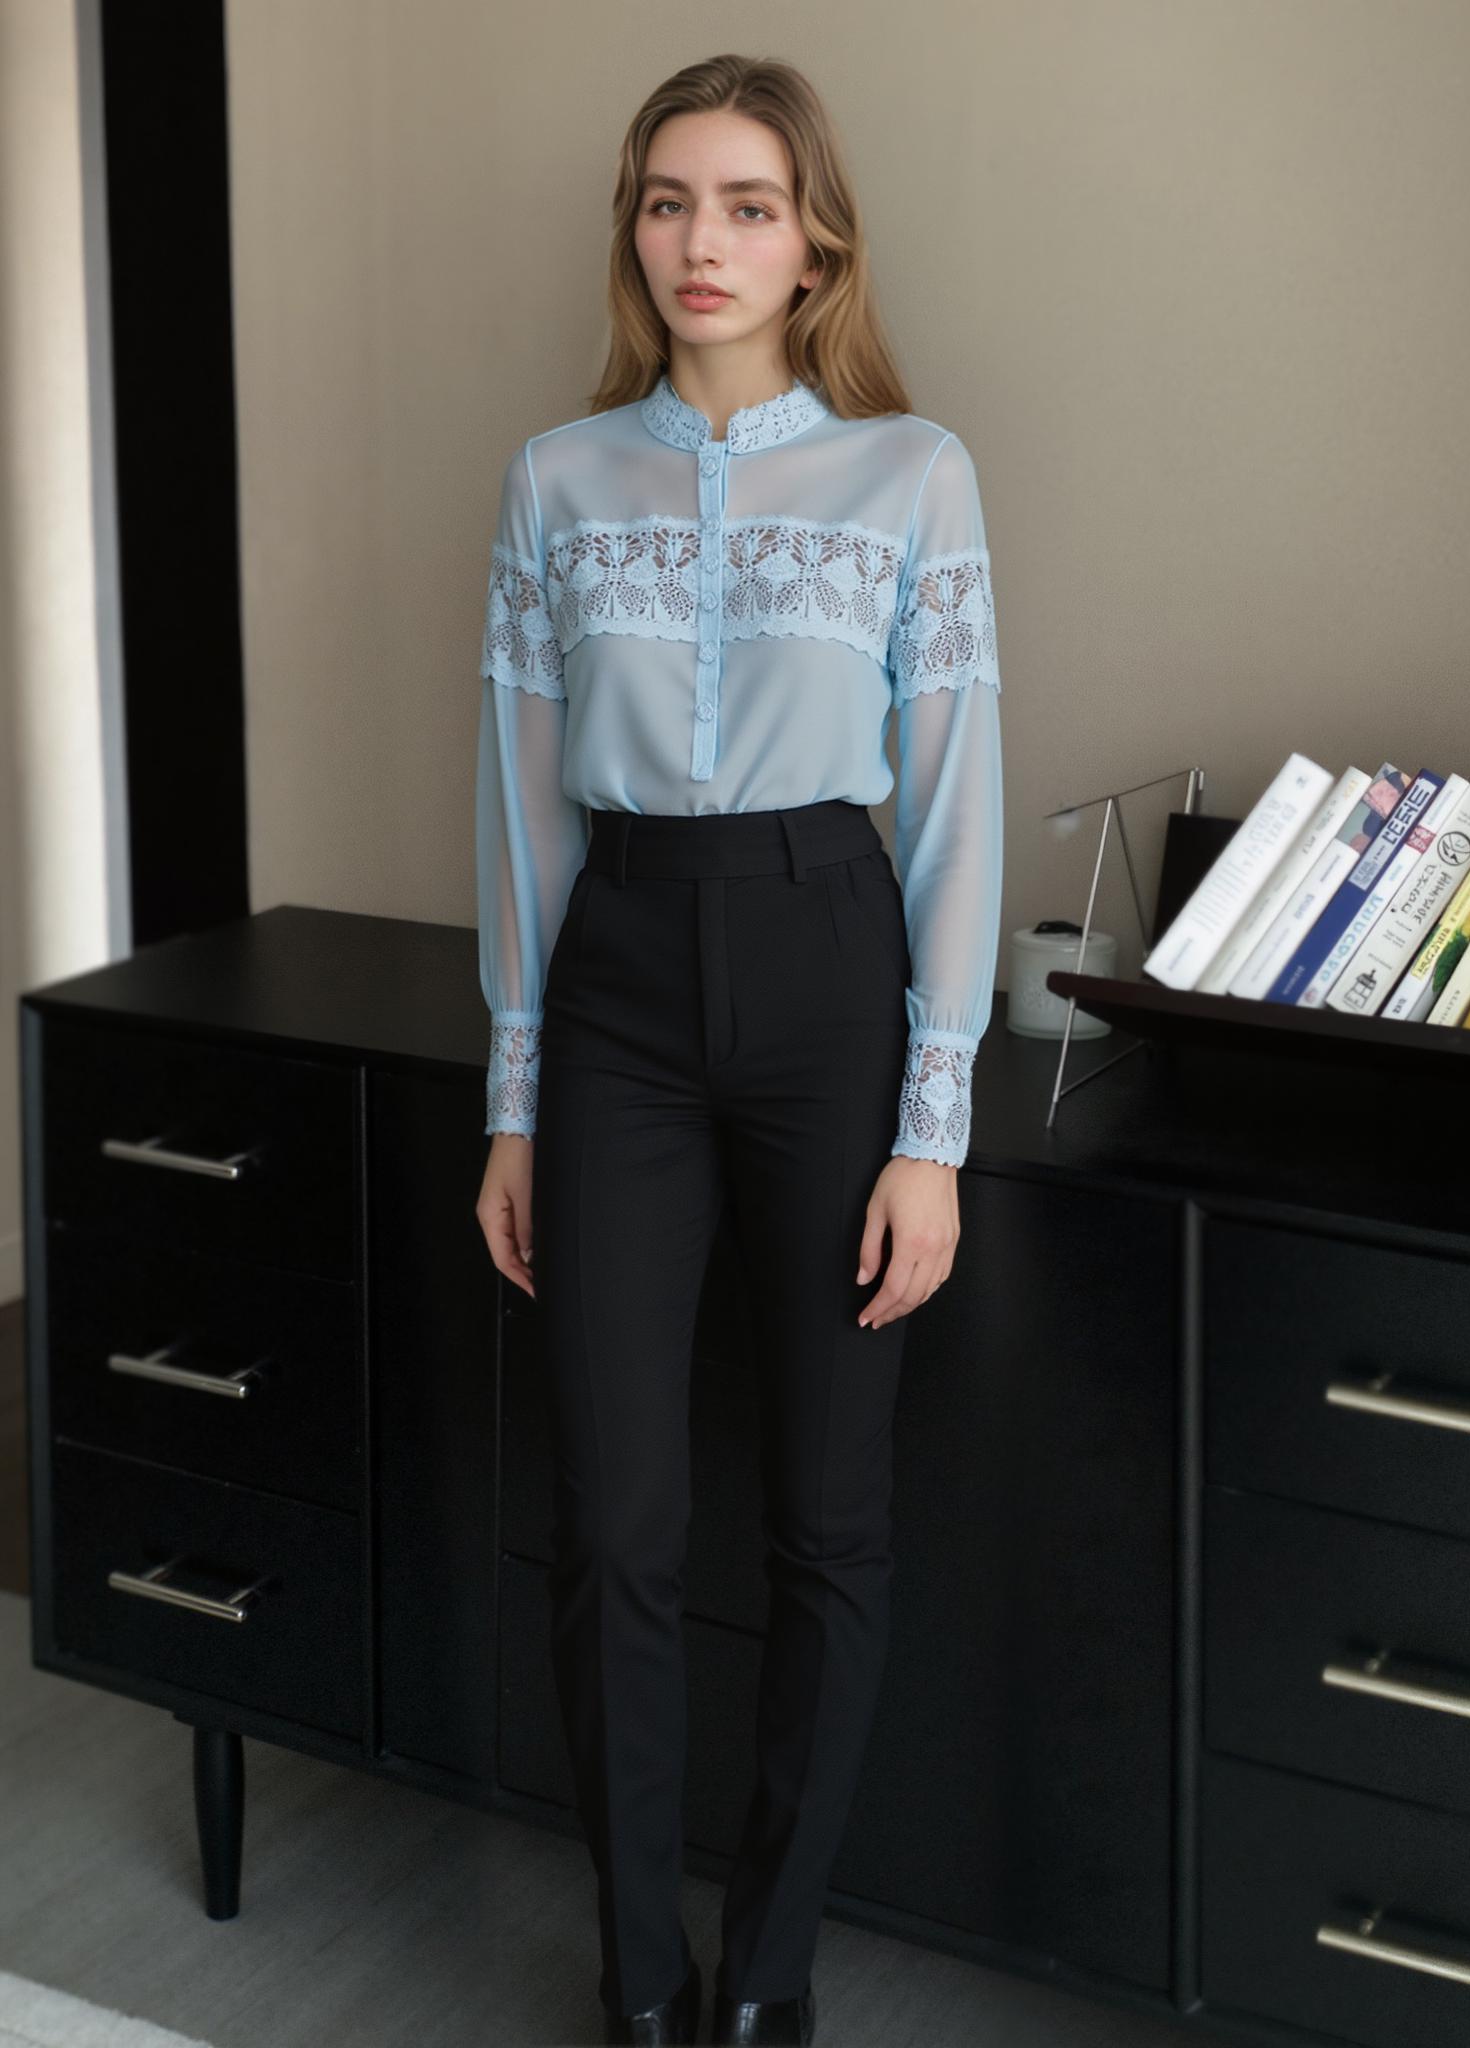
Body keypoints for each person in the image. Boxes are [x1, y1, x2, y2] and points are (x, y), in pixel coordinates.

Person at [473, 52, 1003, 2048]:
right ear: (634, 227)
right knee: (612, 1516)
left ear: (814, 242)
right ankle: (636, 1981)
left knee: (830, 1514)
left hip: (823, 966)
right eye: (670, 199)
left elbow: (954, 805)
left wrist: (928, 1122)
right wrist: (514, 1094)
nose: (705, 241)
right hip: (613, 975)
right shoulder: (553, 475)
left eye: (751, 204)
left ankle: (769, 1973)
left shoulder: (910, 473)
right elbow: (520, 806)